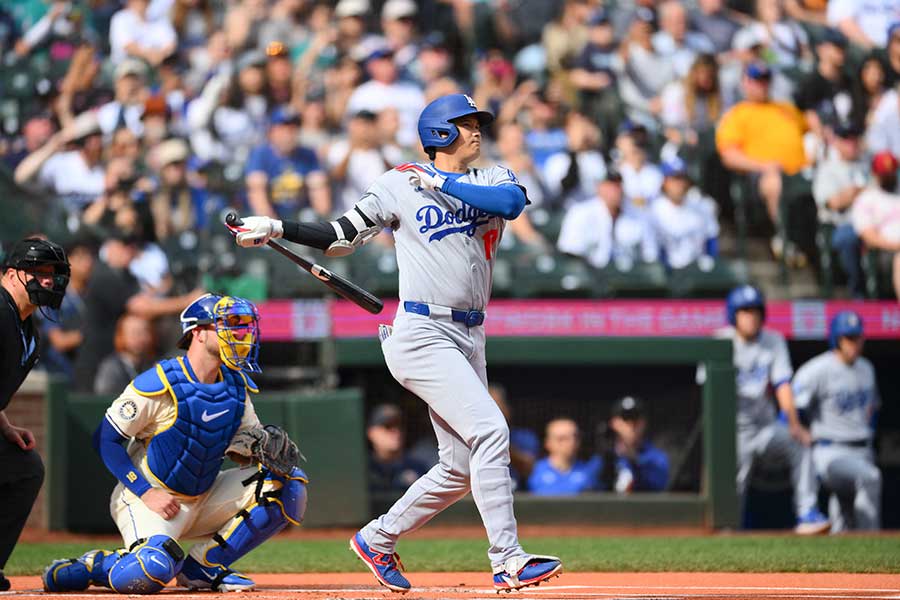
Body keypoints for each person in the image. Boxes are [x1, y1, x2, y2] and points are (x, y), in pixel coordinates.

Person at [228, 93, 562, 592]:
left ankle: (378, 538)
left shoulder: (493, 177)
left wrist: (442, 181)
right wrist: (277, 226)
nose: (477, 131)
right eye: (466, 123)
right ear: (440, 132)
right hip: (422, 331)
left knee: (459, 469)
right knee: (491, 430)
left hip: (471, 333)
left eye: (477, 123)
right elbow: (340, 234)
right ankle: (507, 559)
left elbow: (511, 204)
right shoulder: (399, 182)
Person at [42, 294, 307, 594]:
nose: (240, 334)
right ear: (198, 332)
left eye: (243, 326)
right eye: (230, 324)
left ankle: (203, 567)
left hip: (205, 494)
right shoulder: (160, 383)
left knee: (289, 484)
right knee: (149, 572)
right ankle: (94, 566)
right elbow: (105, 439)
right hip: (153, 499)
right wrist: (145, 492)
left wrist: (256, 450)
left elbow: (242, 445)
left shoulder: (235, 385)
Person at [718, 285, 829, 534]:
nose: (752, 317)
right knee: (736, 481)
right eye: (745, 311)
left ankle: (807, 514)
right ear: (733, 314)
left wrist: (794, 424)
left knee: (799, 443)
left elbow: (783, 385)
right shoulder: (721, 340)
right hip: (734, 430)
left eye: (756, 311)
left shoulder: (773, 340)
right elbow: (710, 391)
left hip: (765, 427)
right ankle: (727, 527)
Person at [0, 238, 70, 592]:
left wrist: (5, 424)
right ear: (11, 274)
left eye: (53, 274)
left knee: (25, 469)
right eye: (39, 272)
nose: (48, 281)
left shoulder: (27, 328)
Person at [792, 311, 881, 532]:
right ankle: (870, 540)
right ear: (837, 340)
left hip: (862, 449)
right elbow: (792, 408)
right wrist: (802, 432)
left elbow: (874, 409)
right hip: (830, 450)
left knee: (843, 514)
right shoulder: (817, 369)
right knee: (871, 478)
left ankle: (841, 552)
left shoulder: (867, 368)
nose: (854, 344)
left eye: (857, 337)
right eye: (848, 338)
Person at [716, 62, 809, 258]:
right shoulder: (737, 114)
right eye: (756, 80)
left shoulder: (786, 109)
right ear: (745, 83)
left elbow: (810, 129)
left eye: (765, 80)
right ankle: (785, 237)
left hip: (802, 172)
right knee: (774, 182)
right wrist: (763, 166)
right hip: (761, 176)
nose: (761, 85)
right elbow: (729, 156)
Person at [557, 170, 658, 269]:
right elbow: (570, 253)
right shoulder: (580, 213)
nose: (615, 190)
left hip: (629, 277)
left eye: (618, 185)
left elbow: (650, 254)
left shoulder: (637, 215)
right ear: (599, 187)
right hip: (590, 276)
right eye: (610, 185)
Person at [812, 121, 868, 297]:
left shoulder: (869, 164)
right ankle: (858, 295)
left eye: (854, 138)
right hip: (840, 225)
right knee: (848, 238)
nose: (851, 142)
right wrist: (860, 191)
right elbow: (832, 202)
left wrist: (855, 192)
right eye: (846, 138)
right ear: (836, 142)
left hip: (876, 222)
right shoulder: (828, 168)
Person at [245, 108, 331, 220]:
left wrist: (322, 225)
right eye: (283, 127)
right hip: (268, 221)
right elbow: (257, 194)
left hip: (299, 220)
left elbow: (320, 196)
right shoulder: (260, 154)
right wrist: (275, 230)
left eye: (293, 127)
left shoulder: (308, 155)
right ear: (271, 131)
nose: (289, 133)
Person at [650, 157, 720, 269]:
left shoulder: (701, 205)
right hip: (665, 272)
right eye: (674, 178)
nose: (679, 183)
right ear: (664, 181)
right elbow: (652, 250)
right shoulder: (654, 210)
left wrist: (710, 262)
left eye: (682, 178)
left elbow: (711, 239)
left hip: (698, 270)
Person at [851, 151, 900, 300]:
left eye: (891, 173)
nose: (888, 177)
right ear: (875, 174)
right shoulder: (867, 198)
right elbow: (869, 236)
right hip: (883, 253)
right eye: (885, 174)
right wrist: (897, 245)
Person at [600, 396, 669, 493]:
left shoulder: (656, 457)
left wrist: (633, 456)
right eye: (625, 418)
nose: (630, 424)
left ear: (644, 423)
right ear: (615, 423)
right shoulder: (607, 455)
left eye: (635, 419)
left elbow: (657, 485)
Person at [366, 404, 430, 493]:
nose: (396, 431)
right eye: (388, 426)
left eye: (399, 425)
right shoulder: (363, 469)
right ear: (371, 433)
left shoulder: (418, 467)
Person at [528, 418, 600, 496]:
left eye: (575, 437)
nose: (571, 443)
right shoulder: (534, 469)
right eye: (562, 439)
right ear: (548, 443)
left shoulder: (589, 471)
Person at [94, 314, 156, 395]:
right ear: (121, 335)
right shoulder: (111, 368)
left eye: (145, 332)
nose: (141, 337)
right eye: (135, 333)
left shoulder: (153, 366)